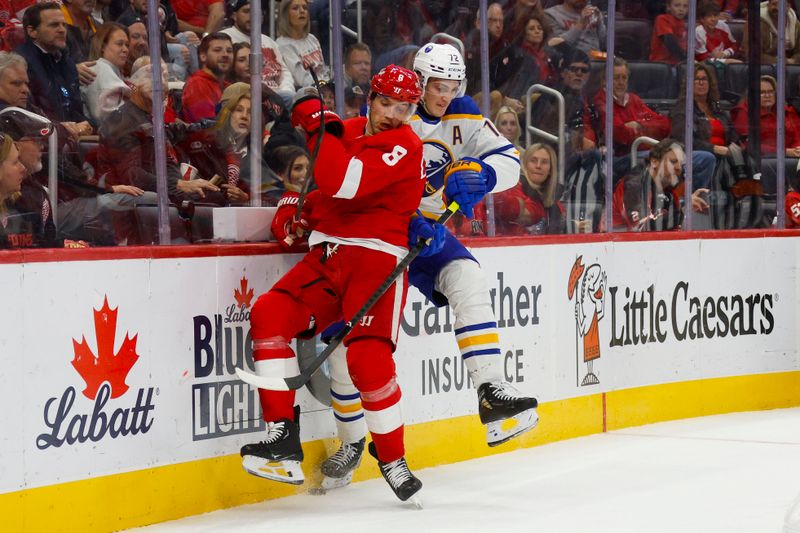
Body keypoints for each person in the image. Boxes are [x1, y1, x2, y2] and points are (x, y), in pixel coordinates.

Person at [317, 43, 538, 491]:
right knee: (347, 343)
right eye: (437, 86)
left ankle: (492, 393)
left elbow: (510, 160)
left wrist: (484, 174)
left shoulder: (466, 112)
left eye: (453, 85)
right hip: (376, 237)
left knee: (468, 277)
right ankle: (351, 440)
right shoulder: (392, 113)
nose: (446, 95)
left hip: (428, 235)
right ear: (418, 80)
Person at [240, 65, 438, 504]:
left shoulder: (405, 144)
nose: (393, 114)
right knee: (269, 312)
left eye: (404, 108)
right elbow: (318, 188)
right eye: (386, 103)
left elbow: (341, 181)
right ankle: (282, 440)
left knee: (367, 358)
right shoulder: (343, 129)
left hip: (376, 258)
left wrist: (315, 124)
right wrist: (295, 206)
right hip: (328, 255)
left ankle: (392, 458)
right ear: (371, 98)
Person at [612, 138, 710, 232]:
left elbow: (672, 228)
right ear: (654, 162)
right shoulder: (634, 185)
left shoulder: (669, 193)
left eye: (681, 164)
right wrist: (683, 210)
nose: (679, 168)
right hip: (616, 245)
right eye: (673, 161)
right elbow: (643, 227)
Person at [670, 62, 734, 190]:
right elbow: (684, 140)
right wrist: (714, 148)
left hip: (725, 153)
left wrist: (734, 145)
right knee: (713, 159)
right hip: (701, 155)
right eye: (696, 79)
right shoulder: (682, 109)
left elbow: (732, 133)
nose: (701, 82)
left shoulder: (717, 109)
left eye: (704, 79)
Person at [221, 0, 295, 106]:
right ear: (234, 15)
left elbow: (284, 72)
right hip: (250, 97)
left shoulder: (269, 41)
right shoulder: (225, 38)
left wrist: (287, 91)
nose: (252, 16)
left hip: (280, 95)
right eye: (246, 11)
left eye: (256, 12)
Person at [731, 75, 800, 157]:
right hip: (761, 159)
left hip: (792, 157)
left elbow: (797, 136)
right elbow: (748, 144)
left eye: (770, 91)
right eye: (761, 92)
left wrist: (797, 149)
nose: (767, 96)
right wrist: (785, 152)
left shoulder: (787, 111)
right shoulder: (744, 112)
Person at [82, 22, 129, 123]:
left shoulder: (111, 70)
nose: (125, 49)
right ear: (103, 46)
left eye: (127, 45)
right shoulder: (101, 68)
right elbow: (107, 118)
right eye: (119, 44)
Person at [181, 32, 232, 122]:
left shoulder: (229, 87)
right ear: (203, 56)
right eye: (217, 50)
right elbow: (207, 128)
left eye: (229, 51)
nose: (225, 54)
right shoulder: (196, 84)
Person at [276, 0, 328, 89]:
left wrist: (329, 85)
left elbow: (323, 71)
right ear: (285, 15)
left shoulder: (312, 38)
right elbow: (302, 81)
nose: (302, 11)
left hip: (324, 88)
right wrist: (325, 86)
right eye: (295, 8)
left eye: (305, 8)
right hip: (307, 93)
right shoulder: (283, 45)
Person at [743, 0, 800, 65]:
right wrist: (783, 62)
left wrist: (794, 60)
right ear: (768, 5)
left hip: (791, 66)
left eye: (780, 5)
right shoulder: (755, 22)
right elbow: (753, 55)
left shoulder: (796, 24)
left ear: (788, 6)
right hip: (763, 67)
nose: (777, 8)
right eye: (774, 4)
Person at [649, 0, 689, 65]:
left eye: (685, 6)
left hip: (679, 64)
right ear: (668, 7)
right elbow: (670, 42)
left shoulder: (684, 23)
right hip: (661, 64)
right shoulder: (662, 19)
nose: (681, 9)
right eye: (677, 5)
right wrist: (687, 59)